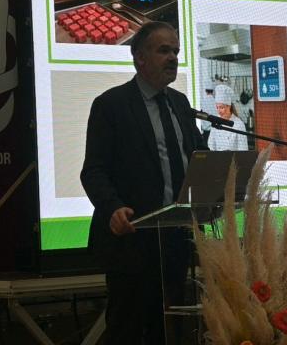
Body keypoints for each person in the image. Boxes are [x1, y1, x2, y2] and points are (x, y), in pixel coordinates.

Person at [80, 21, 205, 345]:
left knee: (171, 332)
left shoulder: (180, 104)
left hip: (175, 240)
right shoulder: (111, 105)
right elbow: (93, 171)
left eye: (175, 51)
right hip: (133, 240)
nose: (173, 58)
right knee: (128, 332)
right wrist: (113, 207)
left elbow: (198, 159)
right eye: (164, 50)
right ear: (139, 57)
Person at [207, 83, 249, 151]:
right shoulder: (216, 121)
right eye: (217, 107)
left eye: (221, 107)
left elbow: (243, 150)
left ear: (229, 107)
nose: (219, 111)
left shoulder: (239, 124)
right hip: (217, 157)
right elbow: (211, 144)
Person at [199, 77, 217, 144]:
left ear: (205, 91)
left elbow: (201, 115)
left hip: (205, 131)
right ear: (213, 91)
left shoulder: (203, 102)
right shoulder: (216, 101)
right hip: (214, 130)